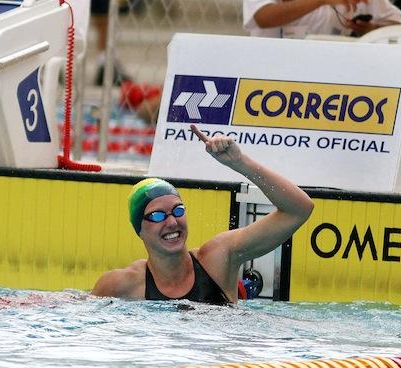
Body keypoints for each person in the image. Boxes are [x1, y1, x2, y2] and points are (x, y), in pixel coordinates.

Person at [91, 125, 314, 304]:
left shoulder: (218, 259)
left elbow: (299, 210)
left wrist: (240, 163)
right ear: (139, 229)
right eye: (158, 216)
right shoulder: (122, 285)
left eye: (178, 211)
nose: (172, 222)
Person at [243, 0, 401, 39]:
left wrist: (371, 29)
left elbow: (396, 25)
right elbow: (262, 17)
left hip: (333, 74)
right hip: (272, 69)